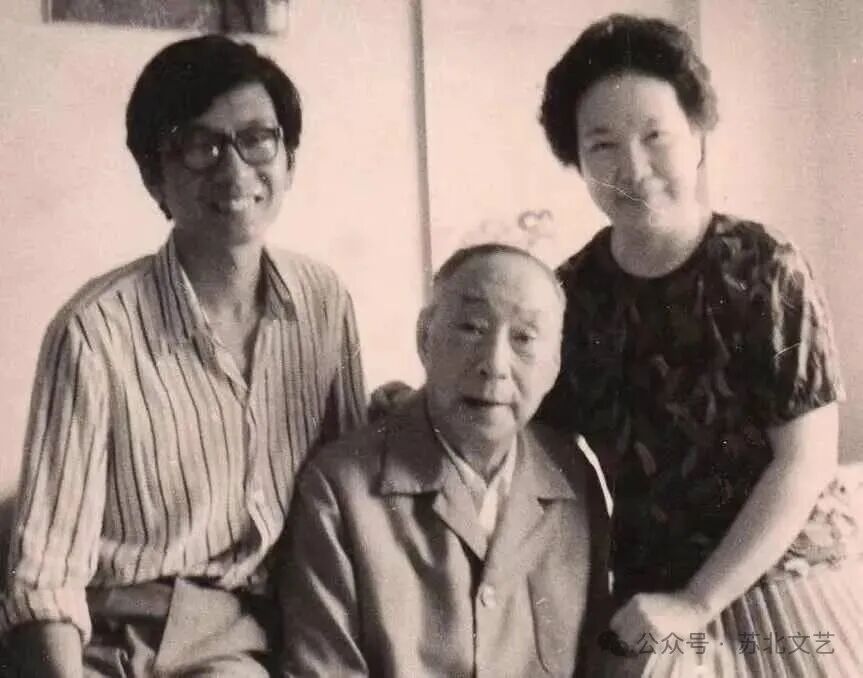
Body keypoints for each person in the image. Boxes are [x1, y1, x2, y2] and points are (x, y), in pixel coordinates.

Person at [0, 35, 366, 676]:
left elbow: (348, 497)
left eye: (258, 140)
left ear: (289, 161)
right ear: (155, 177)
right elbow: (46, 580)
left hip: (247, 635)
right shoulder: (94, 332)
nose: (234, 170)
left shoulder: (323, 302)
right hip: (105, 635)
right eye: (200, 146)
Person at [537, 13, 862, 676]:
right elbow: (539, 450)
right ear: (576, 160)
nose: (633, 168)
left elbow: (804, 462)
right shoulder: (566, 295)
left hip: (783, 573)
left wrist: (697, 602)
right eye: (601, 145)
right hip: (650, 598)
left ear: (697, 136)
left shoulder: (765, 267)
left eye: (654, 135)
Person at [278, 244, 610, 677]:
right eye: (472, 327)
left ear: (554, 364)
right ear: (425, 338)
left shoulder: (572, 474)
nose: (495, 364)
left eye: (525, 338)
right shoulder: (341, 488)